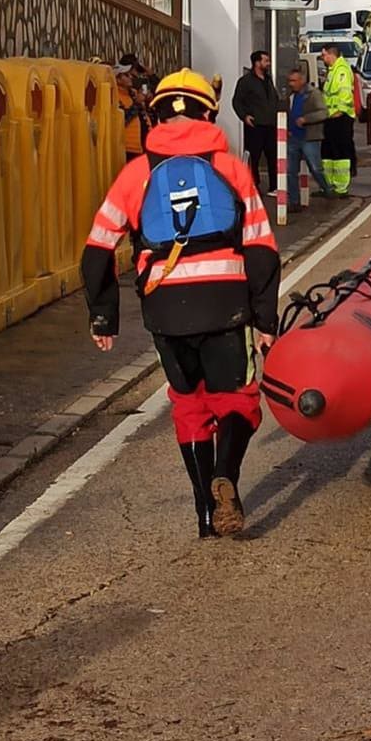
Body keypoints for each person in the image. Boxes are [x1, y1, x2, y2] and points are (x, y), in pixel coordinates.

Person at [81, 68, 280, 539]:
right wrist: (266, 318)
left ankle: (205, 515)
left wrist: (103, 315)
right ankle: (225, 476)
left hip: (166, 310)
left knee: (189, 405)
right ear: (208, 114)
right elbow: (260, 246)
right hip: (225, 303)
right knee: (238, 399)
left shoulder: (136, 174)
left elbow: (97, 248)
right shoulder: (230, 168)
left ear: (156, 114)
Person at [232, 50, 280, 192]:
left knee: (273, 157)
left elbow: (274, 98)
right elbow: (237, 101)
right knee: (254, 157)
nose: (268, 63)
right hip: (255, 125)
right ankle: (254, 185)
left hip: (270, 125)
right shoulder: (246, 81)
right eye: (266, 60)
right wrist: (245, 116)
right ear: (257, 63)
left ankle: (274, 186)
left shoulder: (268, 80)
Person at [286, 66, 331, 203]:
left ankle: (327, 190)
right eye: (290, 81)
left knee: (315, 168)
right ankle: (294, 201)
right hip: (293, 137)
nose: (291, 84)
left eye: (293, 81)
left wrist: (306, 119)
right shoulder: (291, 95)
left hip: (309, 137)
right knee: (291, 171)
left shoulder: (313, 94)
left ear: (301, 80)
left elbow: (323, 113)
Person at [320, 43, 357, 197]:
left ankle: (341, 188)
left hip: (340, 118)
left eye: (323, 55)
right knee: (328, 153)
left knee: (340, 154)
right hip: (330, 118)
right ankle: (329, 185)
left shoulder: (341, 70)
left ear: (330, 54)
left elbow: (345, 95)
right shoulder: (333, 70)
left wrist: (338, 112)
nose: (322, 58)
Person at [114, 61, 147, 158]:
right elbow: (123, 120)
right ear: (118, 79)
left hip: (138, 146)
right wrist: (137, 103)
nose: (131, 77)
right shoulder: (115, 96)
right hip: (126, 148)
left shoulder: (132, 94)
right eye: (126, 75)